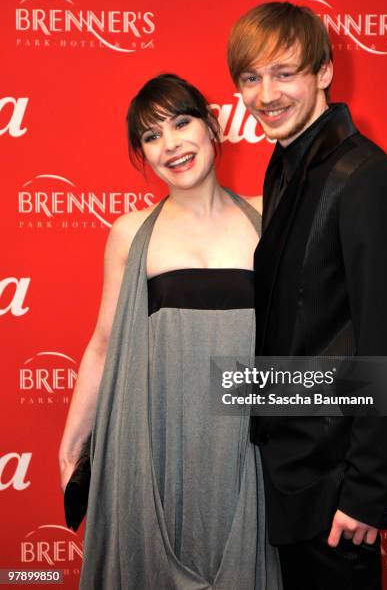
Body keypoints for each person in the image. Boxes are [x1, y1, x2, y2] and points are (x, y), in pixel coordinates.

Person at [58, 73, 282, 590]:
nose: (171, 145)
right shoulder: (133, 232)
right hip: (157, 441)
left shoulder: (269, 218)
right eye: (152, 136)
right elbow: (103, 345)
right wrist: (71, 447)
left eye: (181, 123)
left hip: (248, 444)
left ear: (214, 126)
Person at [227, 2, 387, 590]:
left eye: (284, 72)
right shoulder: (287, 164)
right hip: (287, 469)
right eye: (250, 78)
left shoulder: (366, 178)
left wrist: (367, 493)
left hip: (336, 488)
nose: (266, 94)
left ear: (324, 72)